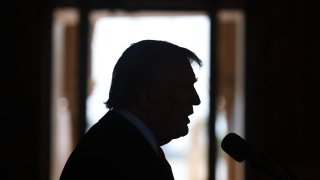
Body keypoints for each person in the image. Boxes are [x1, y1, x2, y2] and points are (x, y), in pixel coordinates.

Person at [60, 39, 202, 180]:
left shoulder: (116, 144)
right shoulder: (118, 157)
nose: (196, 100)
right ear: (147, 97)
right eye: (186, 88)